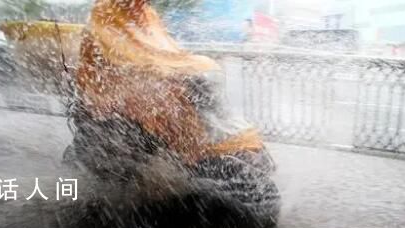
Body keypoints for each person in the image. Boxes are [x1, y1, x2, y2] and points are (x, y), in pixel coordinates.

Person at [75, 0, 264, 166]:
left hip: (147, 81)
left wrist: (182, 66)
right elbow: (126, 56)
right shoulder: (105, 11)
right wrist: (166, 70)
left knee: (202, 73)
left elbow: (165, 50)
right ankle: (195, 154)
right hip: (115, 90)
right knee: (171, 94)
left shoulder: (148, 14)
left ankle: (221, 141)